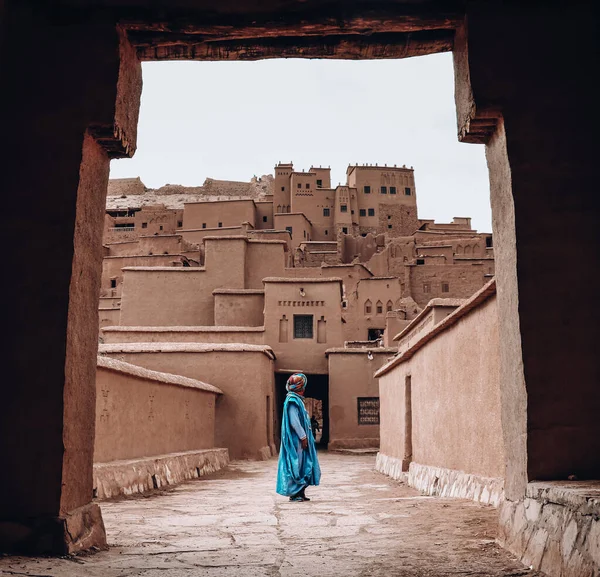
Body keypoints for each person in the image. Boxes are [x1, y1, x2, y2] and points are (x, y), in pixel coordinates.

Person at [276, 373, 321, 502]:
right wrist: (303, 437)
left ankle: (300, 493)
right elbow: (294, 422)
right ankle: (295, 493)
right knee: (297, 464)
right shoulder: (292, 401)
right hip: (296, 441)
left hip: (300, 440)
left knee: (304, 464)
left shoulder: (297, 400)